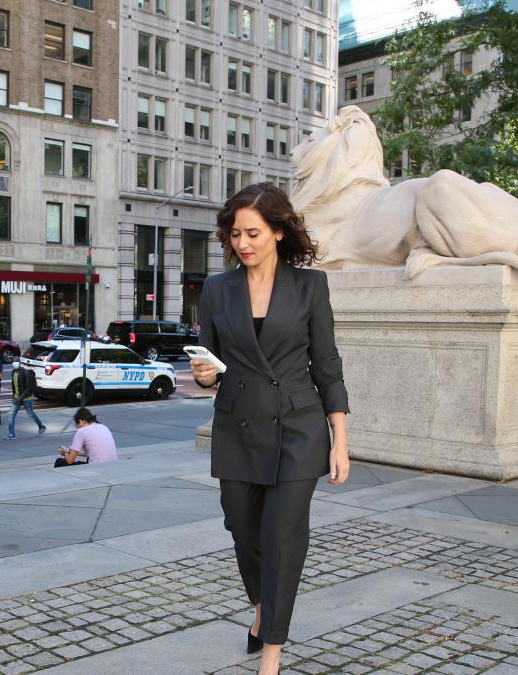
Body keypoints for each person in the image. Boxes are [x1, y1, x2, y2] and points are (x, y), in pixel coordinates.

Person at [190, 183, 350, 675]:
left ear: (278, 232)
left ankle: (272, 653)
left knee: (282, 537)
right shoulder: (217, 289)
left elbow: (326, 366)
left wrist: (340, 441)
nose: (243, 243)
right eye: (235, 233)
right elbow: (210, 365)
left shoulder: (309, 286)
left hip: (298, 428)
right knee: (242, 530)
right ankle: (262, 607)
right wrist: (205, 375)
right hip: (237, 427)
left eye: (253, 233)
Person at [4, 362, 46, 439]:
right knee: (11, 415)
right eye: (13, 360)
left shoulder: (25, 372)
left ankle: (41, 427)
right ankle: (11, 434)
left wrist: (20, 398)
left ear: (19, 363)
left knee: (31, 415)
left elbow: (28, 388)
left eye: (16, 360)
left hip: (26, 398)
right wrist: (15, 396)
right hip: (16, 398)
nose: (14, 362)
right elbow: (14, 386)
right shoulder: (13, 372)